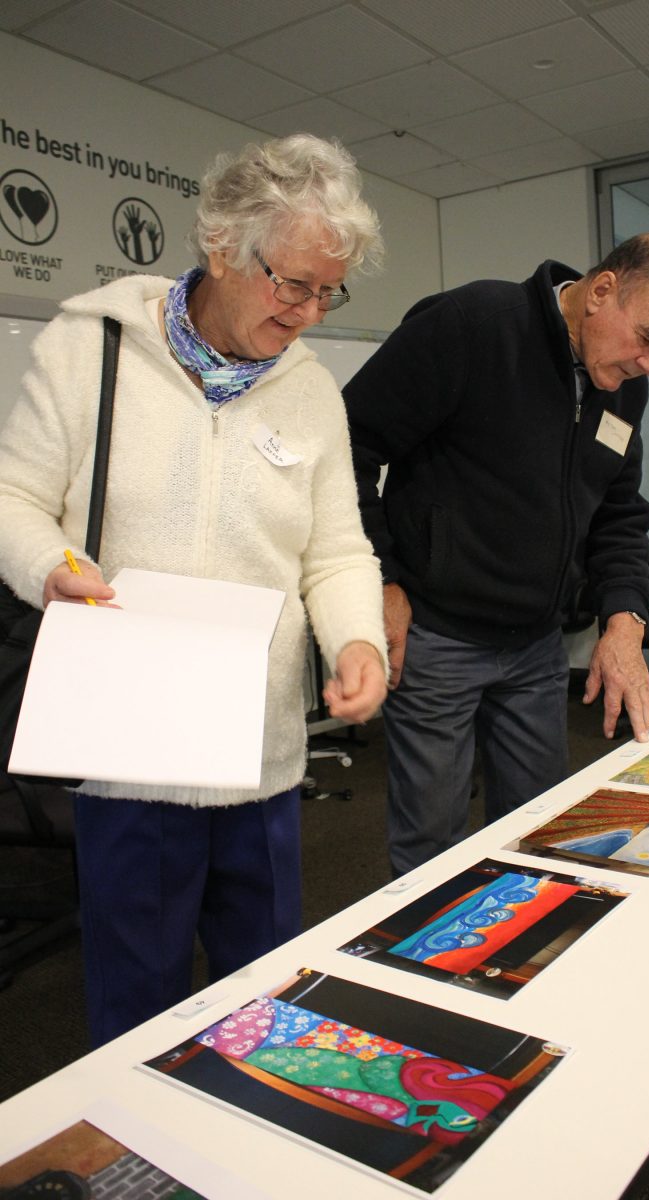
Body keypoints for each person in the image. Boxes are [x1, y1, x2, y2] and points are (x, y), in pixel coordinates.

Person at [0, 134, 388, 1045]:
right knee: (136, 1008)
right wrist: (51, 566)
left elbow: (336, 551)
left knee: (264, 1002)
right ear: (221, 245)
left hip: (261, 757)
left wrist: (357, 640)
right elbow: (13, 497)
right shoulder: (89, 348)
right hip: (130, 755)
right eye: (292, 283)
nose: (307, 312)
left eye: (328, 292)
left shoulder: (311, 392)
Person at [343, 233, 649, 877]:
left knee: (540, 835)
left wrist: (625, 618)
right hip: (437, 637)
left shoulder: (623, 385)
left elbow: (619, 512)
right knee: (432, 849)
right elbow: (345, 446)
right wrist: (382, 580)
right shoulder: (473, 326)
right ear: (601, 292)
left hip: (537, 645)